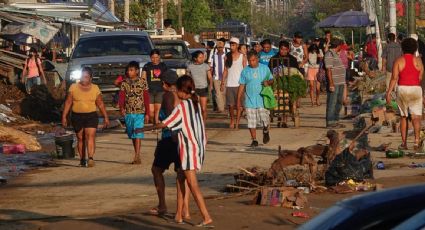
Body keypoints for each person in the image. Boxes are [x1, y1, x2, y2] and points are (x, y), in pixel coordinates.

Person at [141, 75, 213, 227]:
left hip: (189, 149)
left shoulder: (183, 106)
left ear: (181, 90)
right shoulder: (196, 102)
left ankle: (206, 216)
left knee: (193, 185)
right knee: (180, 178)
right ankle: (179, 215)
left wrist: (145, 128)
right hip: (198, 147)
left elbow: (165, 124)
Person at [150, 70, 190, 218]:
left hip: (170, 138)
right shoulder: (185, 96)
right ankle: (185, 209)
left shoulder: (168, 95)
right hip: (184, 138)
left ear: (166, 84)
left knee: (156, 170)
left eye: (163, 82)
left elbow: (172, 118)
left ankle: (162, 205)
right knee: (183, 174)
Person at [62, 67, 109, 167]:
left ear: (91, 78)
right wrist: (64, 116)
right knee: (80, 138)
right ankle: (82, 159)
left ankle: (90, 158)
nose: (84, 79)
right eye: (82, 77)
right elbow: (68, 102)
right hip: (77, 116)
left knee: (90, 136)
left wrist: (106, 117)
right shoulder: (73, 87)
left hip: (91, 115)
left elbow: (100, 103)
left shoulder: (95, 88)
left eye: (86, 77)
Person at [386, 38, 424, 150]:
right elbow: (420, 77)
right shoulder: (419, 61)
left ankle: (404, 143)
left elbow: (394, 78)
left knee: (403, 117)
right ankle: (416, 142)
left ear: (402, 48)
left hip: (402, 89)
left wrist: (388, 93)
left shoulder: (399, 61)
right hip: (416, 89)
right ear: (415, 49)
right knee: (416, 117)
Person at [238, 51, 273, 147]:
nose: (251, 62)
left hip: (262, 99)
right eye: (249, 61)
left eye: (253, 60)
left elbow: (272, 79)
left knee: (264, 119)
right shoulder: (245, 71)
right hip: (249, 100)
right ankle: (254, 140)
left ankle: (265, 130)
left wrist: (268, 83)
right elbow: (241, 85)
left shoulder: (264, 68)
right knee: (251, 121)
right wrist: (238, 100)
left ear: (257, 59)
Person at [120, 61, 150, 164]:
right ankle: (136, 152)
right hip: (128, 112)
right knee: (132, 133)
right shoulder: (124, 83)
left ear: (137, 71)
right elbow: (122, 97)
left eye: (131, 70)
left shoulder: (142, 82)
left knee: (137, 132)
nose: (129, 72)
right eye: (128, 70)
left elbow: (146, 98)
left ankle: (137, 155)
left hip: (140, 111)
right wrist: (121, 108)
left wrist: (147, 113)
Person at [222, 37, 248, 129]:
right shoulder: (227, 56)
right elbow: (225, 70)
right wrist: (222, 82)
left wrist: (246, 82)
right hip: (230, 83)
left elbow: (245, 70)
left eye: (233, 45)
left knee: (239, 105)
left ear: (237, 45)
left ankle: (237, 122)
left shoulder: (242, 56)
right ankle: (232, 120)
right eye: (231, 45)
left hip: (240, 84)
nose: (232, 46)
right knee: (230, 105)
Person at [324, 38, 346, 128]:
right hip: (335, 83)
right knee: (332, 102)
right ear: (338, 46)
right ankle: (330, 121)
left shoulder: (335, 54)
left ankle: (336, 120)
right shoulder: (329, 54)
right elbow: (328, 70)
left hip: (340, 82)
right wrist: (331, 83)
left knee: (339, 102)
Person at [142, 49, 168, 124]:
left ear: (159, 57)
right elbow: (143, 78)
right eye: (153, 57)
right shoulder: (147, 66)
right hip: (149, 91)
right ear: (150, 57)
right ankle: (155, 122)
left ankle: (156, 124)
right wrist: (144, 88)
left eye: (156, 57)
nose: (155, 59)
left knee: (157, 110)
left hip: (160, 90)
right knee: (151, 112)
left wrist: (166, 87)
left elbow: (166, 77)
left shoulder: (163, 66)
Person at [187, 51, 212, 121]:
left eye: (203, 57)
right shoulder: (190, 67)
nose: (202, 59)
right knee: (196, 108)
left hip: (204, 89)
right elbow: (188, 78)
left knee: (203, 109)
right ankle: (197, 122)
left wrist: (211, 85)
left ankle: (203, 124)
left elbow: (210, 77)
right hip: (194, 90)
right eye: (200, 57)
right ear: (195, 58)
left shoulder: (206, 66)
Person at [209, 39, 227, 113]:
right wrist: (210, 79)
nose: (220, 48)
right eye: (218, 47)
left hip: (225, 77)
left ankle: (224, 106)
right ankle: (221, 108)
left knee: (224, 93)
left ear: (223, 47)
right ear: (216, 47)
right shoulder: (213, 55)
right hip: (216, 77)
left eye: (221, 47)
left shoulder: (226, 55)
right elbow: (211, 67)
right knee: (217, 93)